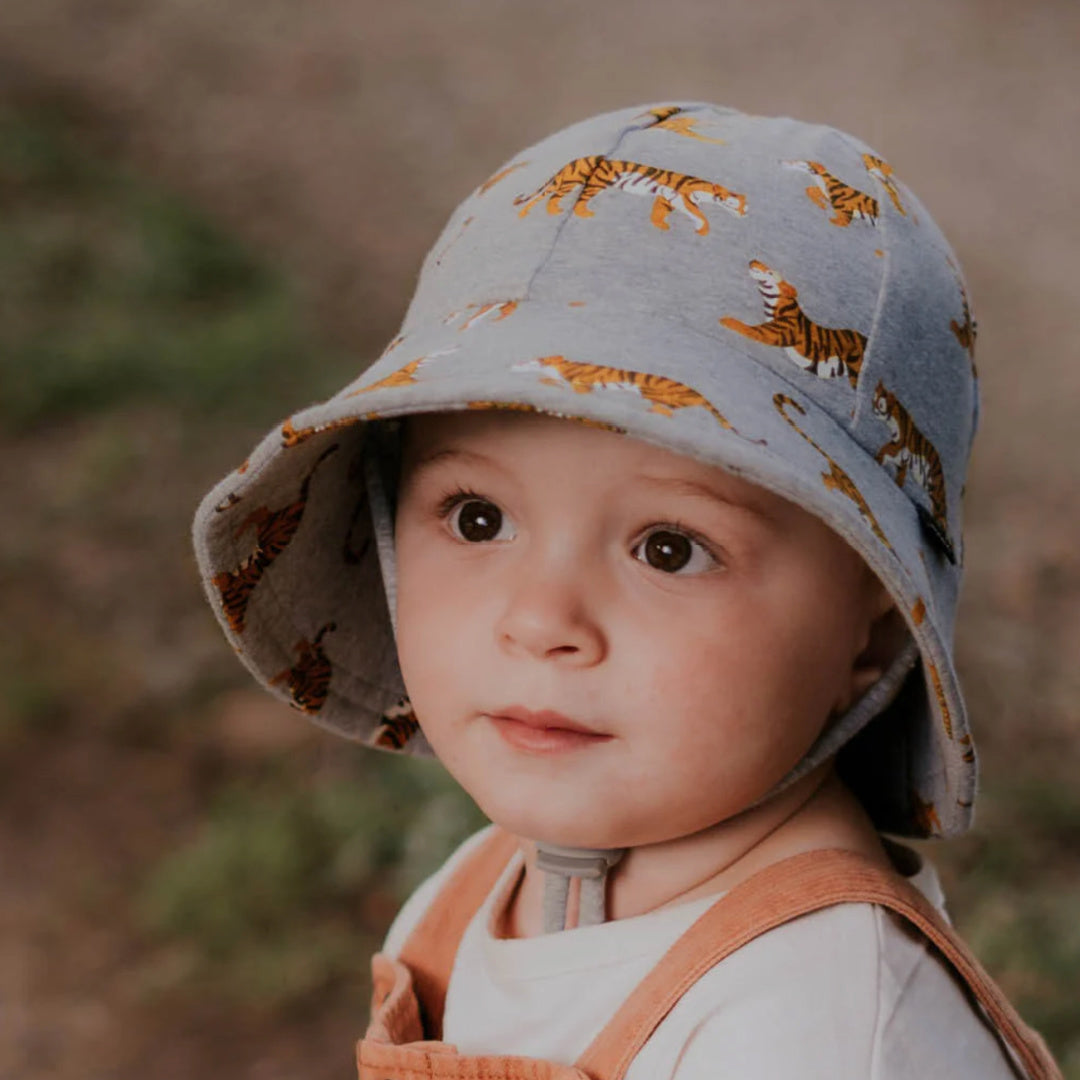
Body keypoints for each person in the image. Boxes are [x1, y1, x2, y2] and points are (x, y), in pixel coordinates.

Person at [192, 102, 1062, 1078]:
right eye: (478, 518)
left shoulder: (822, 1023)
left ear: (872, 624)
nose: (541, 621)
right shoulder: (476, 888)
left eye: (669, 549)